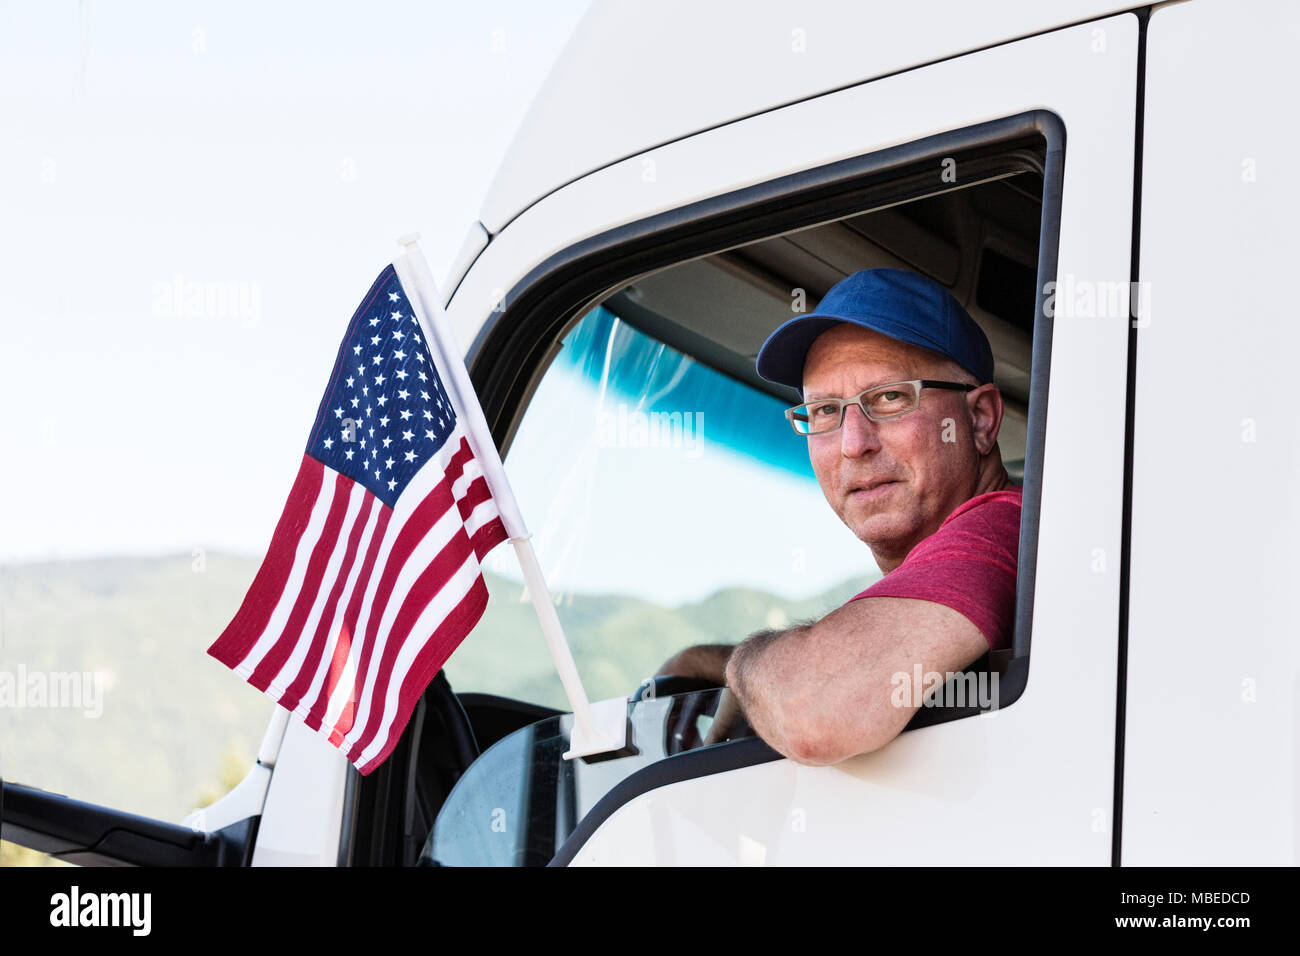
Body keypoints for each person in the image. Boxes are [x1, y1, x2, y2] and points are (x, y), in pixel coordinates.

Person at [657, 268, 1021, 766]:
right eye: (825, 412)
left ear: (979, 420)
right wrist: (711, 666)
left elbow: (817, 714)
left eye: (890, 398)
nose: (853, 444)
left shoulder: (1008, 528)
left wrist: (743, 667)